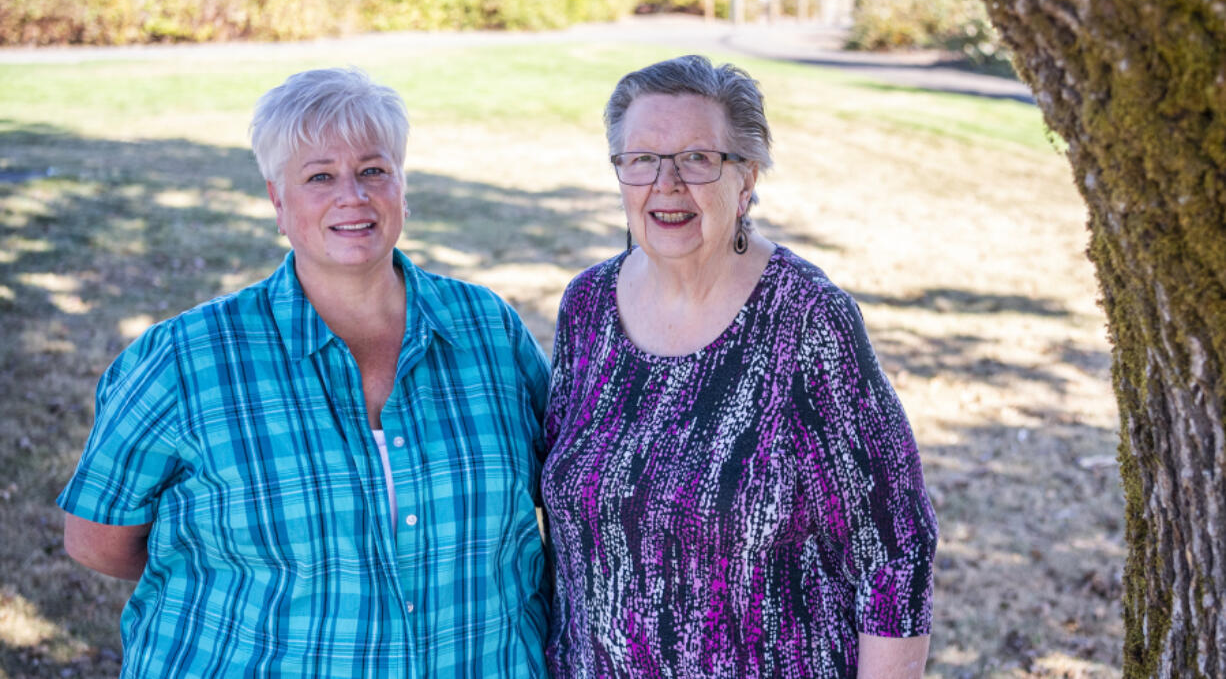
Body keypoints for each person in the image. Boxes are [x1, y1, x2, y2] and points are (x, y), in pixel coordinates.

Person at [58, 68, 551, 677]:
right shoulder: (186, 361)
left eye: (374, 170)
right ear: (278, 201)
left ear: (402, 186)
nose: (353, 195)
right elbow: (96, 539)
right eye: (320, 176)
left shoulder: (488, 330)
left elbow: (558, 491)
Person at [542, 55, 938, 678]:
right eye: (641, 159)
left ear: (747, 178)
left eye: (698, 159)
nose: (666, 183)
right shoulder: (586, 306)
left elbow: (894, 550)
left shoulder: (807, 321)